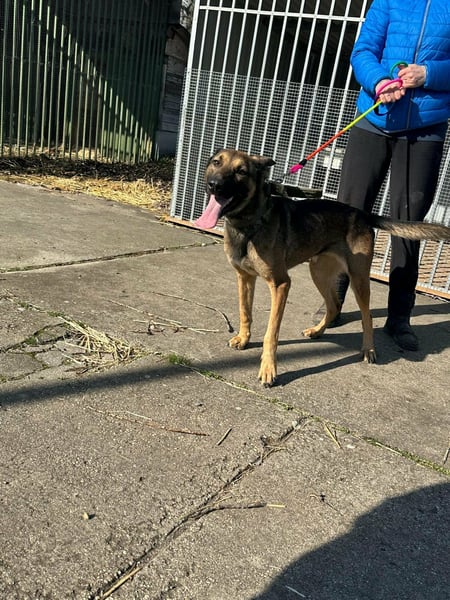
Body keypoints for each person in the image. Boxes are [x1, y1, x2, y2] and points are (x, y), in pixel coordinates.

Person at [315, 0, 450, 351]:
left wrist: (429, 74)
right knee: (347, 216)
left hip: (426, 128)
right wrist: (379, 81)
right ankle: (334, 302)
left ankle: (399, 317)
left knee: (408, 223)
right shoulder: (387, 1)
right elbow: (363, 51)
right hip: (374, 121)